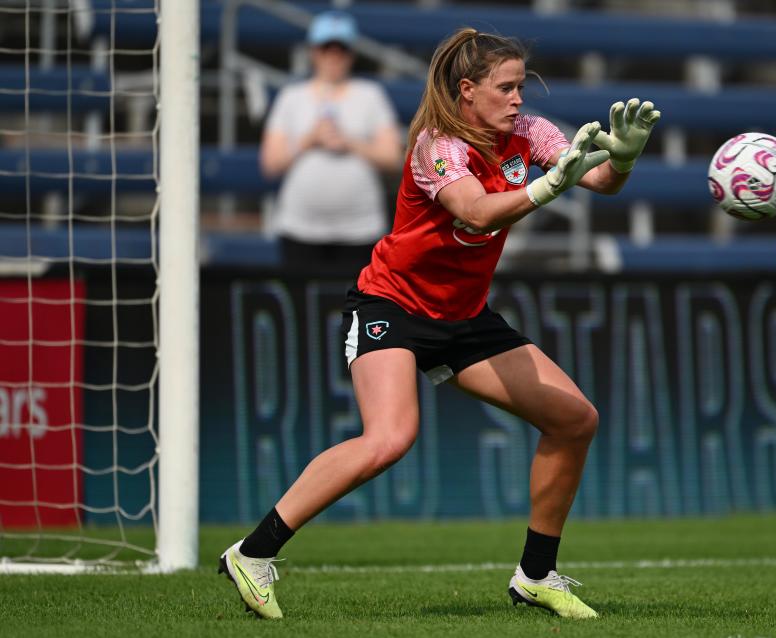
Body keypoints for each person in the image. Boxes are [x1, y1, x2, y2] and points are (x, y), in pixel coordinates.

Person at [219, 27, 661, 619]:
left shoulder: (528, 134)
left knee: (575, 419)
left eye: (521, 86)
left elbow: (600, 182)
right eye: (505, 88)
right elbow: (476, 213)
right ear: (467, 91)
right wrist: (545, 187)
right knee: (389, 438)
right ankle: (252, 554)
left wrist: (624, 159)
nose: (518, 99)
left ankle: (536, 575)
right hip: (392, 306)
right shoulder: (436, 144)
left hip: (463, 317)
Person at [259, 10, 402, 275]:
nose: (334, 57)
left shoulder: (370, 96)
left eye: (341, 50)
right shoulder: (292, 97)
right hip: (300, 230)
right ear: (314, 52)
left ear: (351, 54)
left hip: (360, 230)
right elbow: (270, 163)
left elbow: (392, 157)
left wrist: (350, 142)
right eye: (327, 48)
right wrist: (310, 139)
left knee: (358, 310)